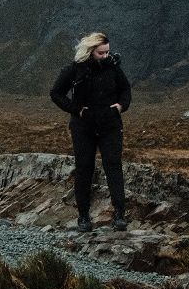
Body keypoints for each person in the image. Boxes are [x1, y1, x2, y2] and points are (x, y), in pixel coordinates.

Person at [50, 32, 132, 232]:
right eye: (101, 53)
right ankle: (83, 217)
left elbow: (126, 89)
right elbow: (56, 93)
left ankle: (119, 215)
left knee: (113, 165)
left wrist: (120, 107)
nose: (106, 56)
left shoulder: (113, 67)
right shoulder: (75, 69)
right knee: (84, 168)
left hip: (110, 125)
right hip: (83, 126)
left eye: (107, 52)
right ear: (90, 51)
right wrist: (76, 109)